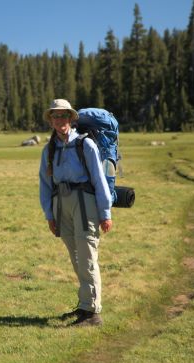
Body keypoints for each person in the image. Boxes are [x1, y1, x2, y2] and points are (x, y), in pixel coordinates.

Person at [38, 99, 113, 327]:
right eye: (55, 116)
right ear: (51, 120)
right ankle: (84, 306)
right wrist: (49, 215)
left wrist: (105, 212)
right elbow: (45, 184)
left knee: (88, 255)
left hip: (84, 202)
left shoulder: (85, 145)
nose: (60, 120)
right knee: (77, 257)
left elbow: (99, 180)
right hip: (62, 205)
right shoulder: (49, 149)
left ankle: (93, 313)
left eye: (63, 116)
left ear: (70, 119)